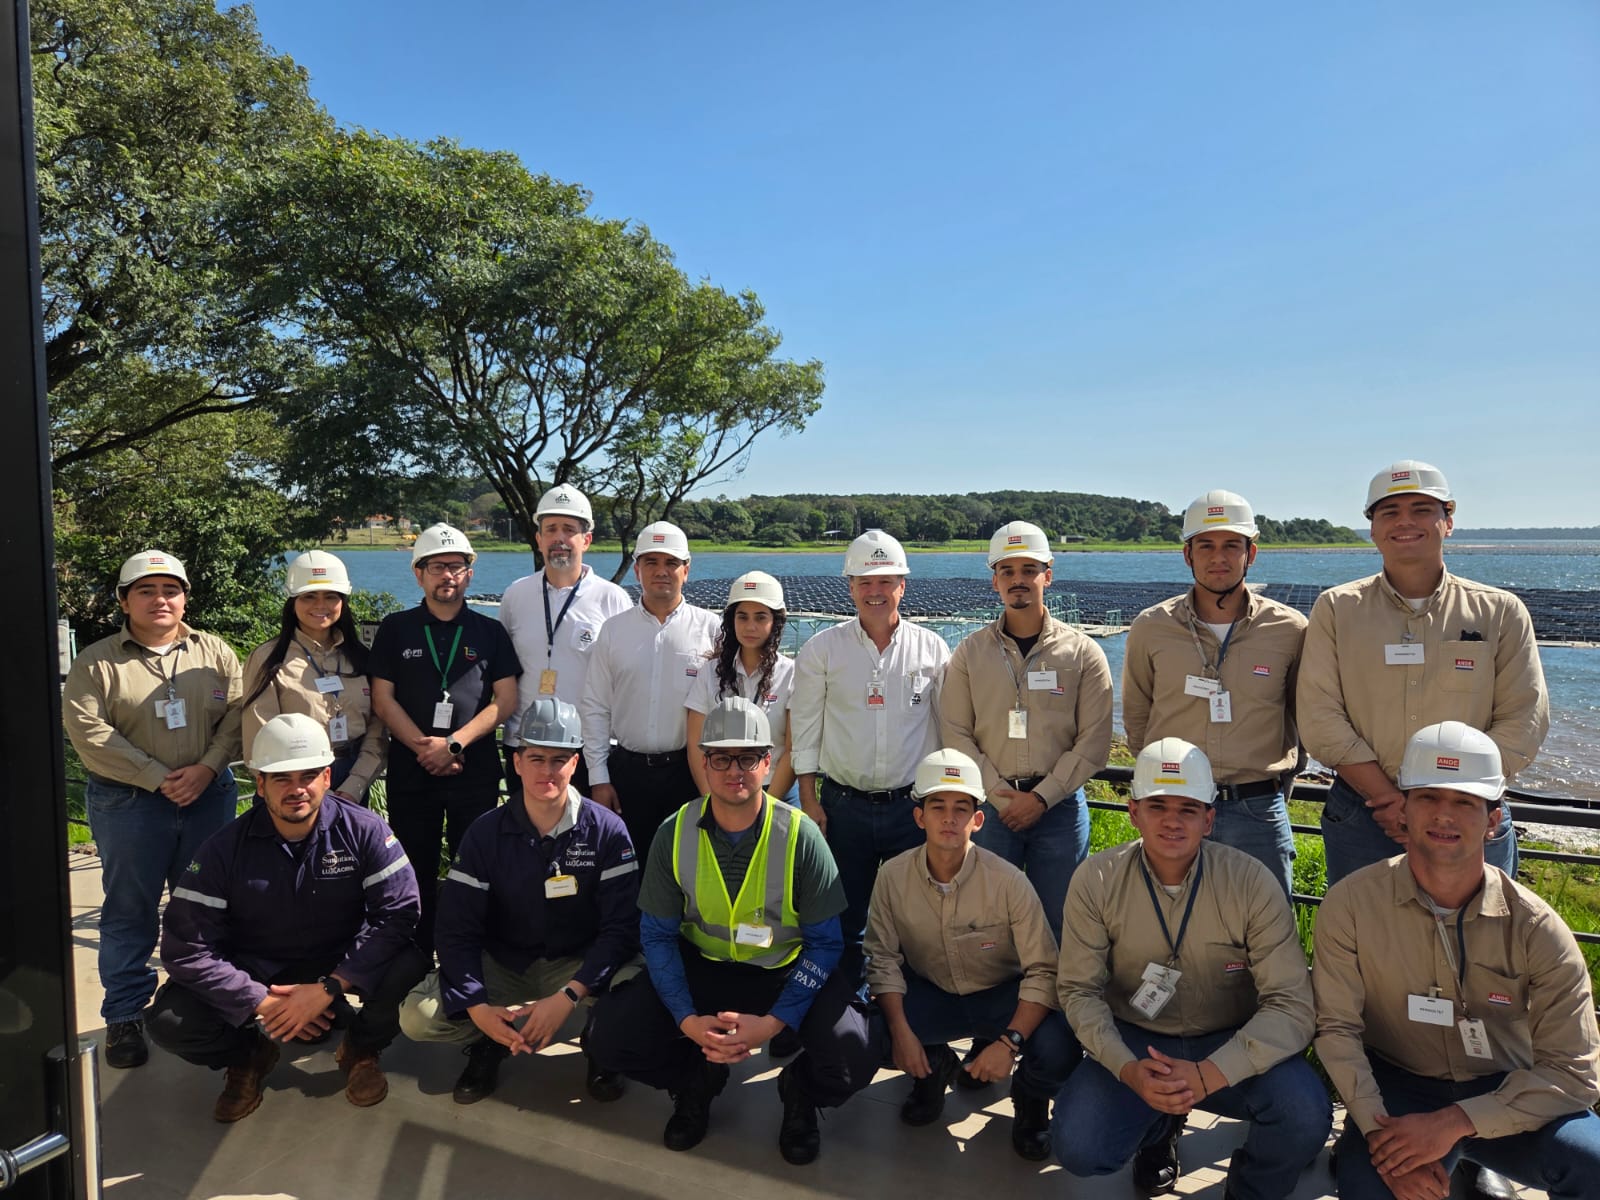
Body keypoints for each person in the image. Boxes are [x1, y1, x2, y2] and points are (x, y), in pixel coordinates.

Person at [1313, 722, 1600, 1200]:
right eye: (1428, 797)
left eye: (1465, 802)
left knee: (1594, 1165)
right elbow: (1336, 1030)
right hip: (1398, 1086)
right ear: (1402, 810)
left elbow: (1574, 1074)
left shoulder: (1538, 928)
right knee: (1369, 1187)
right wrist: (1379, 1134)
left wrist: (1455, 1122)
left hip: (1505, 1089)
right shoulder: (1350, 906)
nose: (1444, 814)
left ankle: (1469, 1154)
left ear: (1493, 820)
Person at [586, 698, 877, 1166]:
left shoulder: (802, 836)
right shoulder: (673, 832)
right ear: (704, 762)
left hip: (782, 970)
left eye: (747, 758)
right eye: (721, 758)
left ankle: (800, 1091)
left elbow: (826, 943)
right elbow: (657, 936)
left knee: (856, 1054)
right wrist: (687, 1019)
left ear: (767, 762)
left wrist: (775, 1021)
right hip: (703, 968)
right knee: (608, 1036)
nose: (734, 770)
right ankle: (695, 1081)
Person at [1052, 738, 1331, 1199]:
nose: (1172, 821)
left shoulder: (1251, 882)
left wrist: (1210, 1074)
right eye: (1157, 806)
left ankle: (1249, 1188)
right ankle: (1160, 1126)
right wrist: (1128, 1069)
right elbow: (1079, 991)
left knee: (1305, 1116)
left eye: (1188, 809)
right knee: (1078, 1146)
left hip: (1231, 1038)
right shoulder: (1096, 880)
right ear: (1133, 812)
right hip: (1137, 1039)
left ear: (1209, 819)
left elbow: (1291, 1004)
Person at [147, 714, 424, 1121]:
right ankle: (249, 1055)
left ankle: (360, 1049)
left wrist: (331, 987)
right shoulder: (223, 850)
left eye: (308, 775)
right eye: (281, 778)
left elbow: (399, 914)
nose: (297, 789)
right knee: (169, 1021)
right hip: (257, 966)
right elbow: (187, 948)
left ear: (327, 777)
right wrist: (261, 1002)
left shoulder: (365, 831)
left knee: (411, 965)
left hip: (338, 960)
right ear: (259, 784)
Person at [1299, 460, 1548, 888]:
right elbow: (1319, 714)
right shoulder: (1337, 609)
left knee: (1480, 929)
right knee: (1363, 927)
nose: (1405, 522)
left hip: (1471, 814)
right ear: (1373, 528)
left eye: (1421, 509)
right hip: (1365, 814)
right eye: (1389, 512)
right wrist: (1387, 798)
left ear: (1448, 521)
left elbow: (1525, 717)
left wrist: (1450, 802)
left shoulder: (1500, 611)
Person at [399, 698, 640, 1106]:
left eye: (559, 760)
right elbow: (456, 928)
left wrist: (569, 996)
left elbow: (622, 929)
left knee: (637, 995)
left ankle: (601, 1042)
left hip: (576, 961)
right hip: (504, 963)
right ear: (517, 762)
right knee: (417, 1017)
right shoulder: (485, 833)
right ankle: (491, 1039)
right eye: (536, 758)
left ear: (575, 763)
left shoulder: (608, 831)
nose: (547, 771)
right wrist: (477, 1006)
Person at [62, 549, 243, 1070]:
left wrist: (207, 768)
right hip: (129, 803)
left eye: (171, 590)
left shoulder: (214, 651)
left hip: (208, 797)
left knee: (208, 905)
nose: (160, 599)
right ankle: (124, 1015)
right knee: (129, 910)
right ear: (124, 601)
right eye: (146, 591)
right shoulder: (96, 661)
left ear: (185, 598)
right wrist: (157, 777)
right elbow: (89, 733)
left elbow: (237, 716)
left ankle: (207, 1002)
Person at [863, 748, 1080, 1161]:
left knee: (1060, 1048)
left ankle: (1030, 1099)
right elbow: (883, 959)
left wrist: (1009, 1043)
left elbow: (1043, 971)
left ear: (978, 820)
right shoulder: (892, 876)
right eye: (937, 807)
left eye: (961, 808)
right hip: (933, 992)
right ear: (919, 817)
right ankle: (932, 1068)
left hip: (1001, 996)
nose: (949, 818)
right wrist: (903, 1033)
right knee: (873, 1035)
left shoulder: (1009, 882)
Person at [1122, 491, 1307, 897]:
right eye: (1205, 546)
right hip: (1175, 806)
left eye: (1231, 546)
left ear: (1250, 553)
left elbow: (1303, 717)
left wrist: (1279, 783)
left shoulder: (1290, 629)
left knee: (1268, 923)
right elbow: (1137, 716)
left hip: (1257, 810)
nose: (1218, 557)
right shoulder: (1151, 627)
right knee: (1174, 919)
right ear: (1187, 554)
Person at [941, 520, 1113, 939]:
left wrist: (1041, 798)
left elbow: (1093, 741)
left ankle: (1054, 985)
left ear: (1047, 576)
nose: (1018, 580)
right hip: (991, 810)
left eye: (1028, 570)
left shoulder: (1083, 653)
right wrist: (1000, 795)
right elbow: (956, 731)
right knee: (988, 922)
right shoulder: (969, 653)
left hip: (1060, 811)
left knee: (1060, 923)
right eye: (1007, 571)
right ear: (995, 581)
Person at [791, 529, 950, 964]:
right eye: (865, 582)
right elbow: (805, 727)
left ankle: (908, 1000)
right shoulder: (822, 650)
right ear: (850, 587)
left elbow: (948, 728)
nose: (874, 591)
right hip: (843, 807)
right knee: (845, 919)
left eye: (885, 581)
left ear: (902, 586)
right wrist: (809, 798)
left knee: (915, 915)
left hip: (911, 807)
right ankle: (850, 999)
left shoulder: (932, 648)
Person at [368, 523, 520, 953]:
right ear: (419, 574)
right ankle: (416, 955)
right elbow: (382, 699)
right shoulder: (396, 628)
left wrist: (453, 744)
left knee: (475, 865)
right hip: (412, 769)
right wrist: (426, 748)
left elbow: (506, 699)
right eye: (437, 567)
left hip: (473, 768)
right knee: (411, 866)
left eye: (456, 566)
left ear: (469, 574)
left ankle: (470, 951)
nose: (447, 575)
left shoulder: (490, 631)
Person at [580, 521, 719, 865]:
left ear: (686, 570)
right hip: (628, 775)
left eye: (671, 563)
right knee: (629, 869)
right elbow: (595, 707)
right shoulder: (613, 631)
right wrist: (599, 778)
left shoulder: (712, 629)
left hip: (689, 774)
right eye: (651, 562)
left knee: (689, 867)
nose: (661, 571)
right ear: (637, 569)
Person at [498, 484, 631, 797]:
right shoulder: (516, 595)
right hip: (525, 744)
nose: (559, 538)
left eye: (569, 530)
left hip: (588, 749)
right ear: (539, 539)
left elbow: (624, 680)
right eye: (551, 529)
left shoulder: (612, 599)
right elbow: (501, 672)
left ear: (586, 539)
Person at [243, 550, 388, 805]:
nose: (320, 605)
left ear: (343, 601)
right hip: (292, 786)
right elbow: (259, 736)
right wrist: (302, 791)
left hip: (352, 779)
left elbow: (377, 729)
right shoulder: (268, 659)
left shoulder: (360, 658)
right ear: (293, 601)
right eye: (309, 596)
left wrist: (355, 785)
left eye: (331, 596)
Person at [686, 570, 796, 802]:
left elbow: (791, 749)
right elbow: (695, 745)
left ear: (775, 622)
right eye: (742, 617)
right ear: (731, 621)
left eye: (760, 617)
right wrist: (712, 801)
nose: (750, 626)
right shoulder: (709, 673)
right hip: (721, 792)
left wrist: (767, 807)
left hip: (776, 792)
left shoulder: (791, 674)